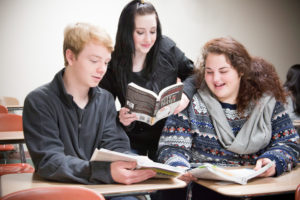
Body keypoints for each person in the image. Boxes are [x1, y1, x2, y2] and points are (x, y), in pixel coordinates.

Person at [156, 37, 300, 199]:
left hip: (258, 186)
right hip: (205, 188)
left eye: (223, 71)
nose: (216, 79)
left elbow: (289, 143)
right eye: (209, 72)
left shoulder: (267, 103)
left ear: (241, 71)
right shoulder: (190, 104)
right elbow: (171, 148)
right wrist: (178, 166)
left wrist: (273, 161)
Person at [23, 22, 156, 187]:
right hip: (61, 190)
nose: (102, 69)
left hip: (103, 186)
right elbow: (50, 161)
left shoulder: (106, 99)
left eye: (106, 62)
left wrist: (130, 164)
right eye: (94, 61)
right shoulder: (39, 101)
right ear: (70, 57)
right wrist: (103, 171)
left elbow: (116, 144)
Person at [99, 0, 195, 160]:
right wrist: (120, 116)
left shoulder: (166, 48)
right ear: (127, 31)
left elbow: (195, 74)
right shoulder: (113, 62)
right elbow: (102, 109)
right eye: (140, 32)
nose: (148, 39)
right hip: (132, 140)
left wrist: (185, 94)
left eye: (153, 31)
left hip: (169, 137)